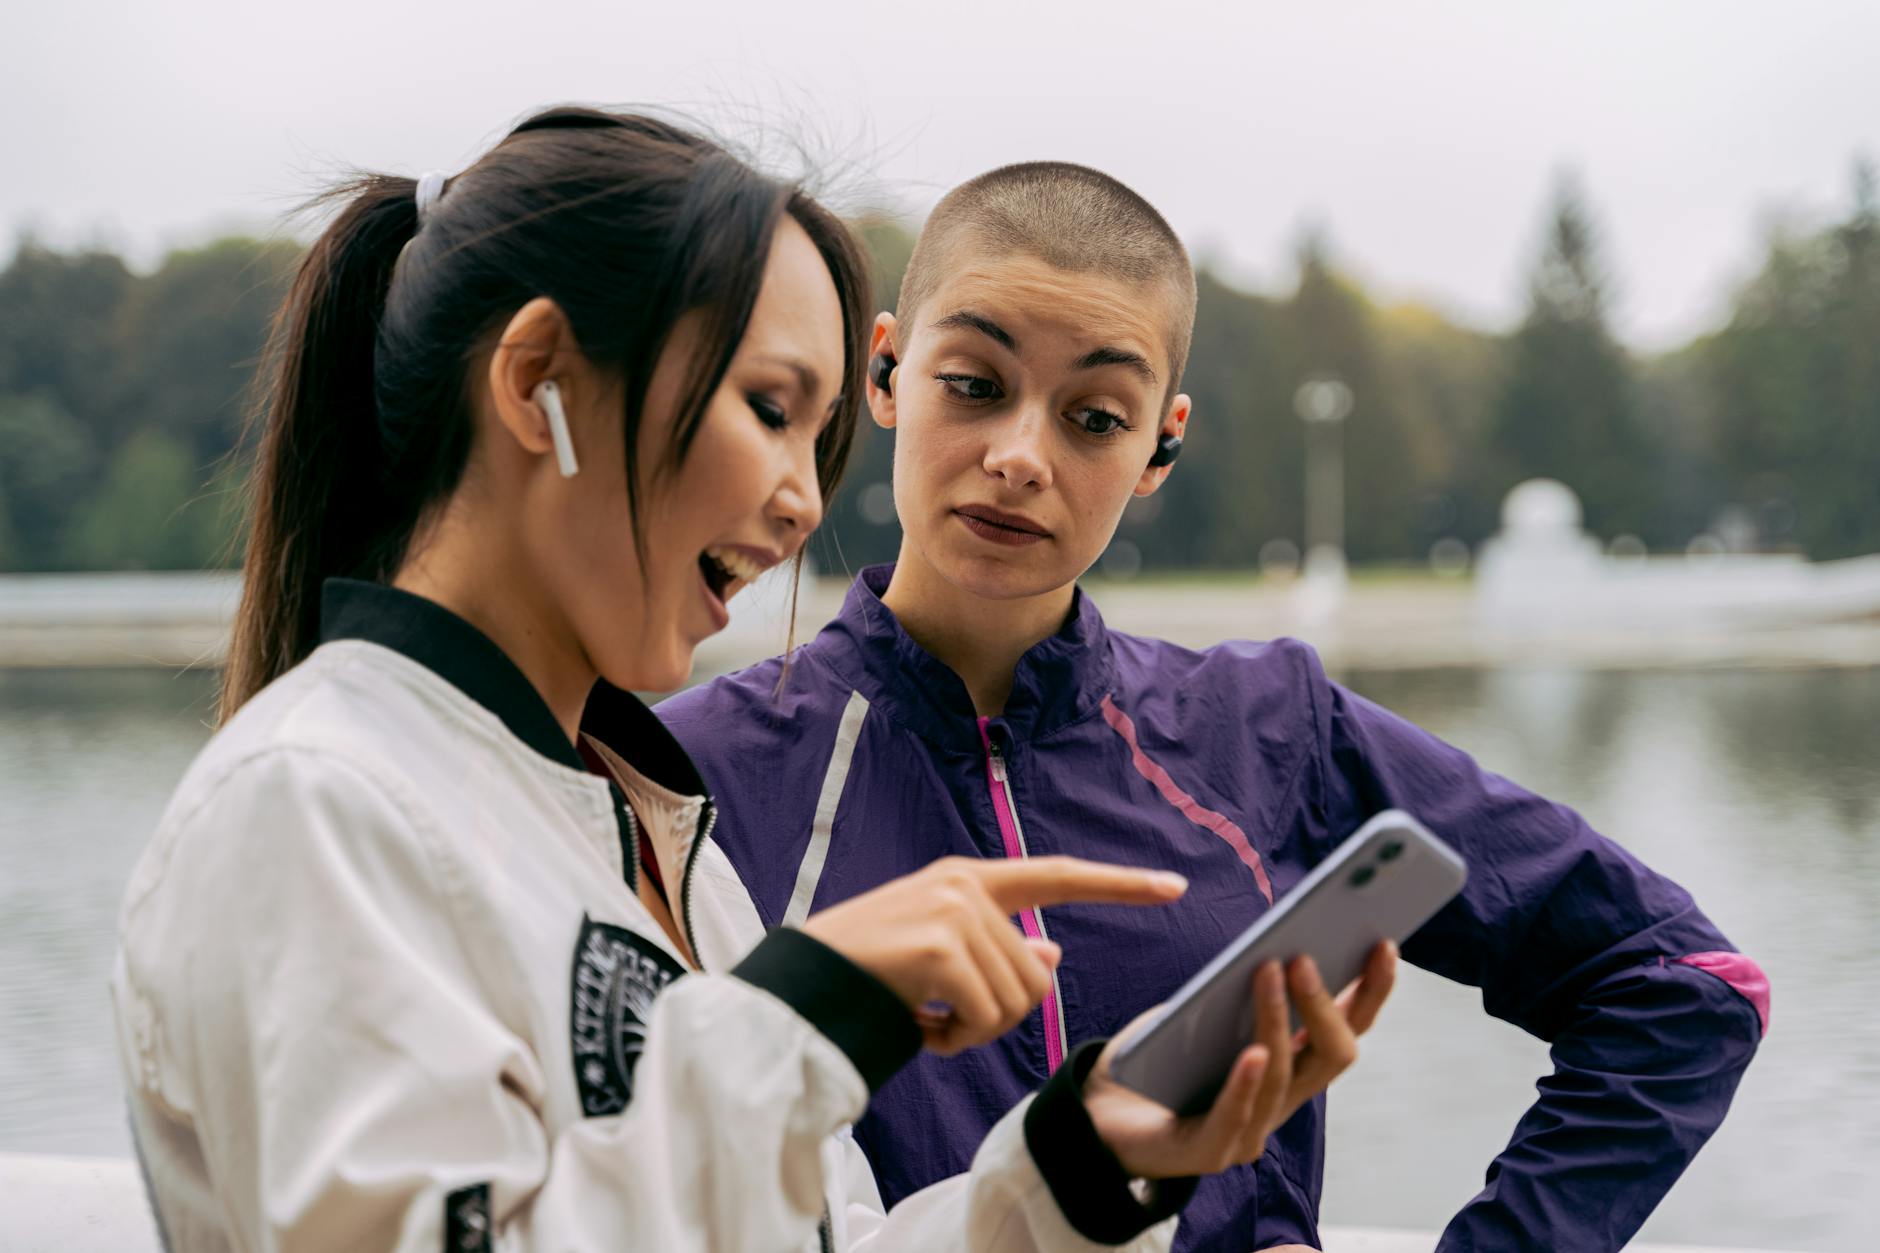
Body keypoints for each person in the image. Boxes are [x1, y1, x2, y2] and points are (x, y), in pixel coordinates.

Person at [108, 110, 1396, 1253]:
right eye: (771, 409)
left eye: (822, 429)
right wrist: (805, 1012)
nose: (799, 499)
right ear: (537, 380)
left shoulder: (651, 837)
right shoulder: (312, 803)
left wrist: (1074, 1166)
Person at [656, 161, 1772, 1253]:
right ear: (888, 374)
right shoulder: (680, 774)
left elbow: (1686, 986)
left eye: (1093, 415)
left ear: (1161, 444)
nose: (1017, 457)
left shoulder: (1266, 726)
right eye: (974, 383)